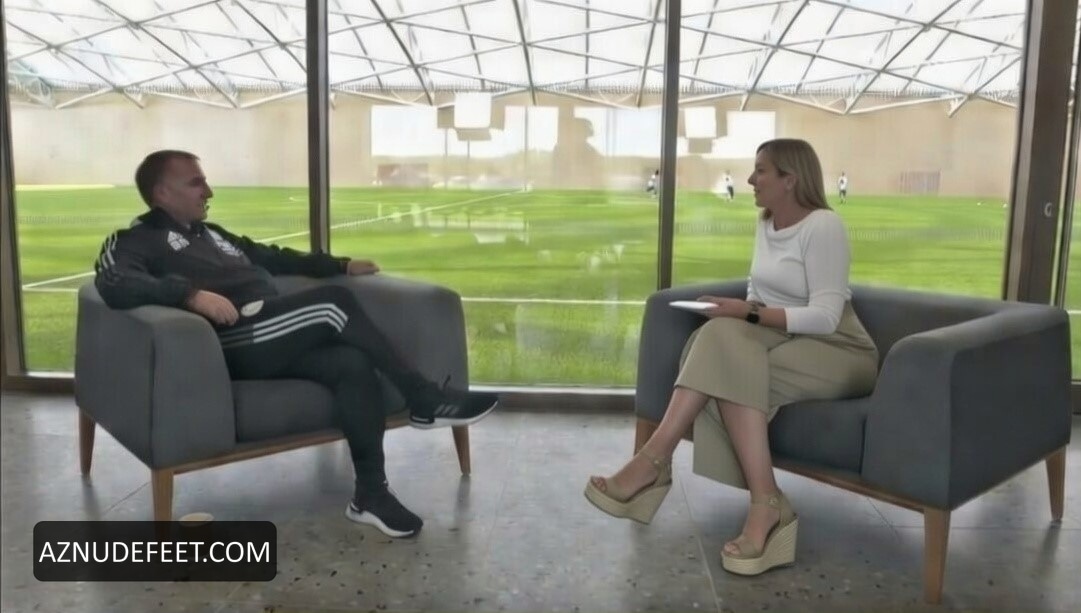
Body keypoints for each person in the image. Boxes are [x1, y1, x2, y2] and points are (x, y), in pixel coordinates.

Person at [94, 150, 499, 538]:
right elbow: (114, 280)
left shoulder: (212, 234)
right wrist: (190, 295)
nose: (209, 191)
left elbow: (272, 257)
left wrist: (339, 265)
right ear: (162, 193)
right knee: (332, 304)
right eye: (196, 182)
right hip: (230, 340)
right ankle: (423, 397)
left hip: (273, 332)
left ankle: (371, 495)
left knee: (351, 363)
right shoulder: (134, 239)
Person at [584, 139, 878, 576]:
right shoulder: (766, 222)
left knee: (728, 364)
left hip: (839, 348)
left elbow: (824, 317)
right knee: (721, 338)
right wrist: (736, 310)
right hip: (784, 337)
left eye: (761, 170)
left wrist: (748, 313)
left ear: (790, 179)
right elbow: (758, 293)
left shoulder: (824, 226)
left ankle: (654, 464)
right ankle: (764, 502)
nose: (750, 179)